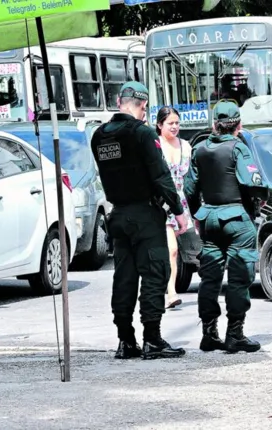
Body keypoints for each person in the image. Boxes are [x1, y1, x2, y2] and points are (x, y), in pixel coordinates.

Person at [90, 81, 189, 360]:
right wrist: (178, 211)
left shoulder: (98, 136)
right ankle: (153, 339)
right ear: (143, 105)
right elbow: (160, 176)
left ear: (119, 101)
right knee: (155, 274)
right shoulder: (143, 133)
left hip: (118, 214)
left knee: (123, 278)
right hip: (145, 215)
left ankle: (125, 340)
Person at [184, 101, 268, 353]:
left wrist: (198, 214)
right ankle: (235, 334)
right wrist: (258, 202)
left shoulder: (199, 149)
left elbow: (189, 189)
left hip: (209, 218)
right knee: (239, 277)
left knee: (209, 278)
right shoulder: (238, 148)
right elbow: (252, 181)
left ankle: (209, 333)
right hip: (237, 220)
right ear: (238, 126)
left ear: (214, 125)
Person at [155, 106, 193, 309]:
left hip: (181, 203)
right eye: (170, 123)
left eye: (177, 123)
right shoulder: (155, 146)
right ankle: (171, 292)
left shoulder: (186, 146)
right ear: (160, 125)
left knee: (171, 251)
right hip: (161, 204)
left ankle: (158, 288)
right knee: (172, 250)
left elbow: (191, 179)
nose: (175, 127)